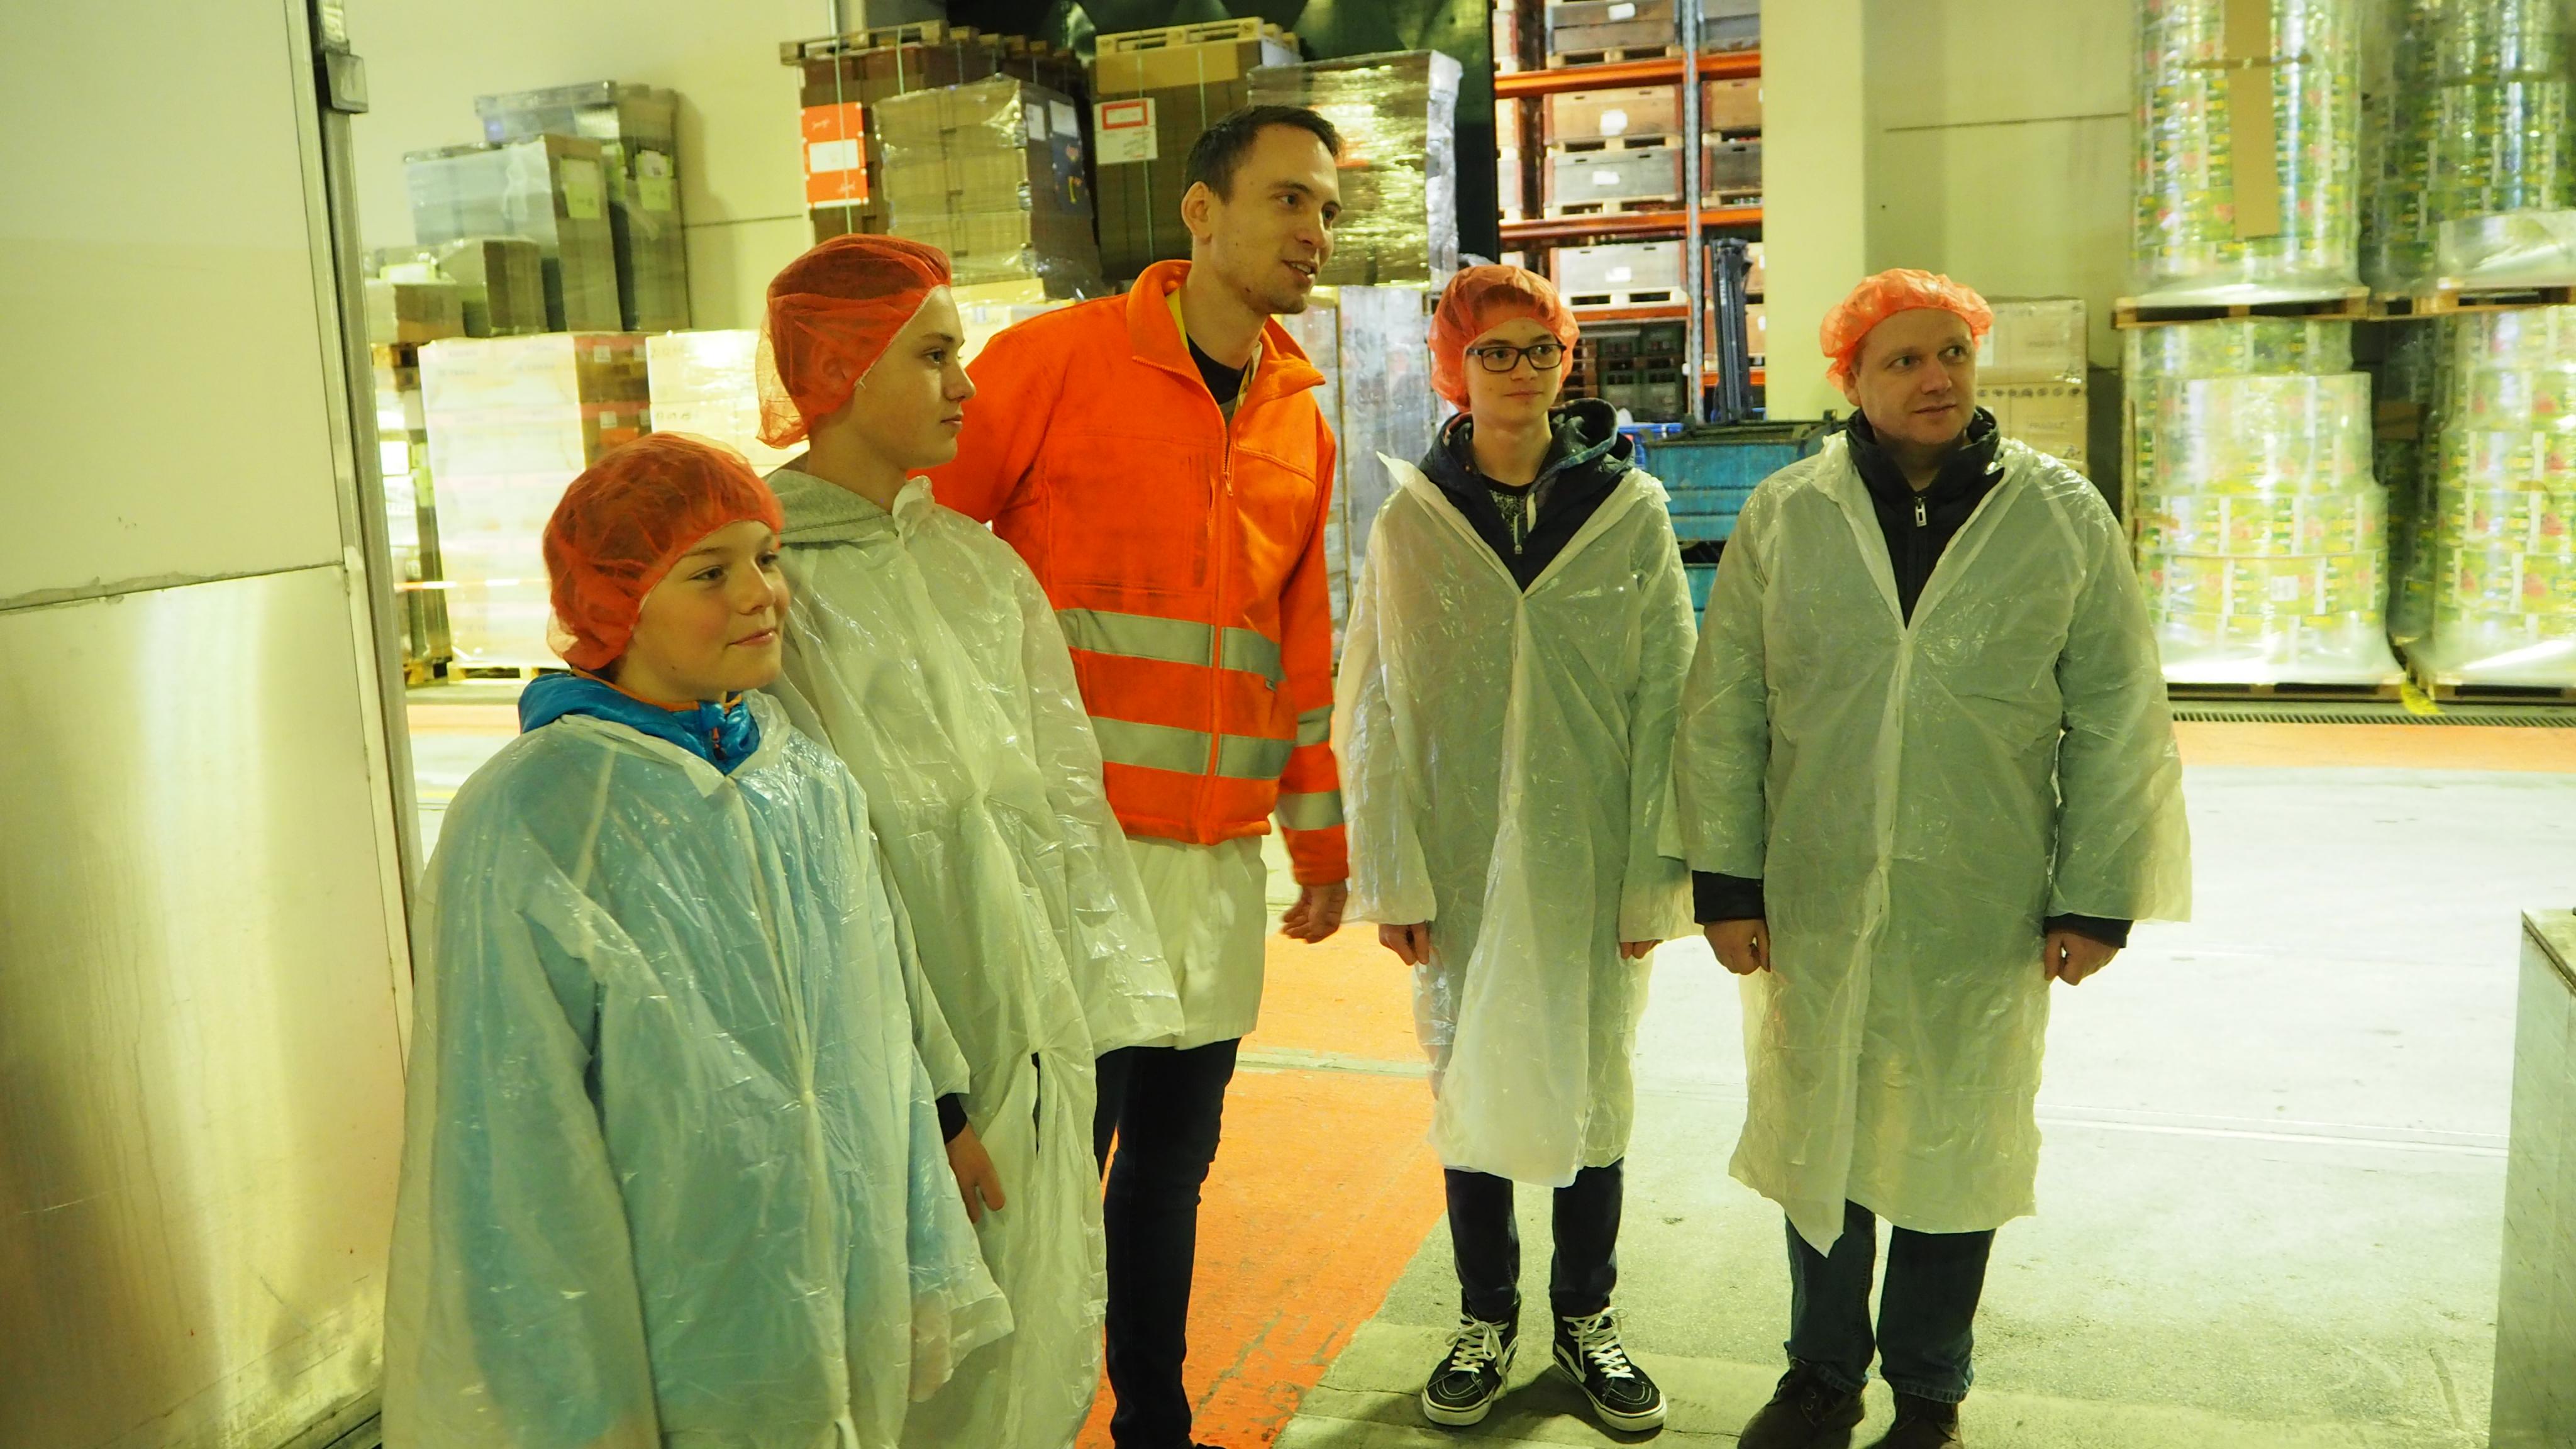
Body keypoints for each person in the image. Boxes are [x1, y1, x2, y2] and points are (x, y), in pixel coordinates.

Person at [382, 433, 1011, 1449]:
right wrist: (579, 1407)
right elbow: (508, 1142)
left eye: (768, 557)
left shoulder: (799, 778)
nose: (762, 594)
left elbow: (877, 1009)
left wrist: (931, 1173)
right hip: (679, 1342)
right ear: (614, 604)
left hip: (836, 1316)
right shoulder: (544, 814)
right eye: (710, 573)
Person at [1675, 270, 2192, 1449]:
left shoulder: (2058, 514)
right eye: (1903, 359)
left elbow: (2118, 712)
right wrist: (1727, 882)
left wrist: (2096, 895)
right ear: (1851, 379)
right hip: (1816, 886)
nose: (1935, 377)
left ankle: (1929, 1393)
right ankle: (1821, 1376)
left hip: (1982, 894)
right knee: (1824, 1127)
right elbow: (1726, 707)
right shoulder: (1789, 514)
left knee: (1956, 1138)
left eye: (1952, 352)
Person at [931, 104, 1350, 1449]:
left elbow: (1295, 645)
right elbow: (923, 561)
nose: (1314, 230)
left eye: (1328, 208)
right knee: (1053, 1167)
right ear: (1200, 211)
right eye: (1288, 198)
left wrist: (1320, 843)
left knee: (1171, 1172)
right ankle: (1018, 1422)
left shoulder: (1297, 419)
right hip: (1070, 860)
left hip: (1215, 867)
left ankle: (1154, 1422)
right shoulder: (1052, 364)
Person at [750, 233, 1185, 1449]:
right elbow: (811, 873)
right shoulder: (772, 585)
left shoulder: (978, 569)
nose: (967, 386)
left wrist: (1092, 1007)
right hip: (897, 1048)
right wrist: (921, 1092)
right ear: (841, 373)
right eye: (935, 356)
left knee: (1028, 1319)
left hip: (1031, 1025)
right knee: (914, 1352)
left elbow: (1062, 801)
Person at [1339, 265, 1696, 1433]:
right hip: (1460, 861)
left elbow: (1671, 695)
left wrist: (1656, 875)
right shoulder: (1413, 521)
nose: (1520, 372)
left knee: (1595, 1084)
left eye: (1540, 349)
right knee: (1472, 1079)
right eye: (1493, 352)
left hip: (1594, 854)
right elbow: (1373, 703)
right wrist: (1392, 871)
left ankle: (1586, 1318)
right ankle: (1485, 1316)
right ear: (1455, 367)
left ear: (1565, 361)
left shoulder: (1627, 509)